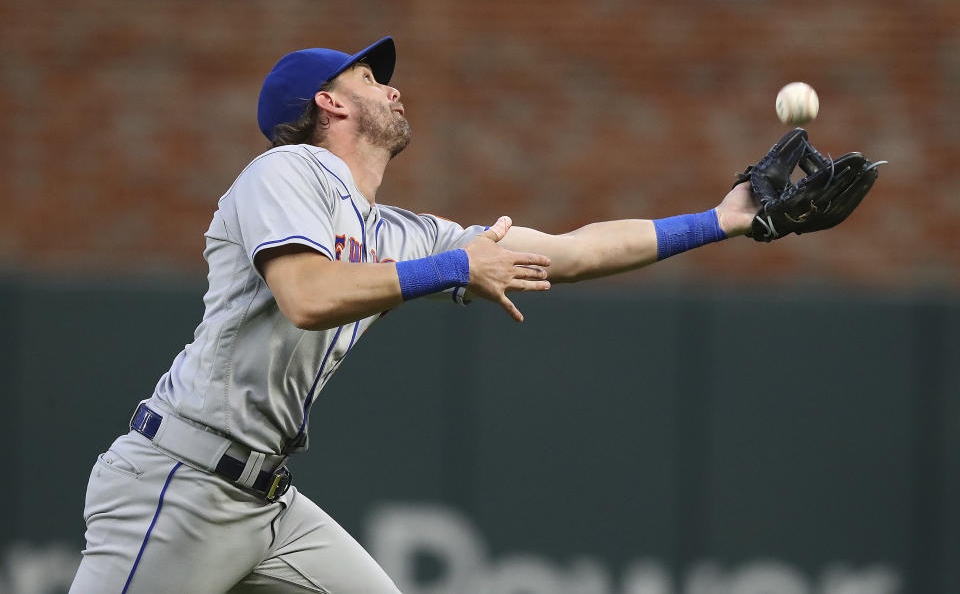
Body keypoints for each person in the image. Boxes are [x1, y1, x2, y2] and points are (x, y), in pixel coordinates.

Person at [69, 36, 759, 593]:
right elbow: (308, 295)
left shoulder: (400, 232)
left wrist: (723, 221)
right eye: (370, 78)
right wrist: (458, 265)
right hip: (178, 484)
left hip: (265, 503)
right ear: (328, 102)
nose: (392, 88)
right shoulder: (283, 175)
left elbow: (569, 251)